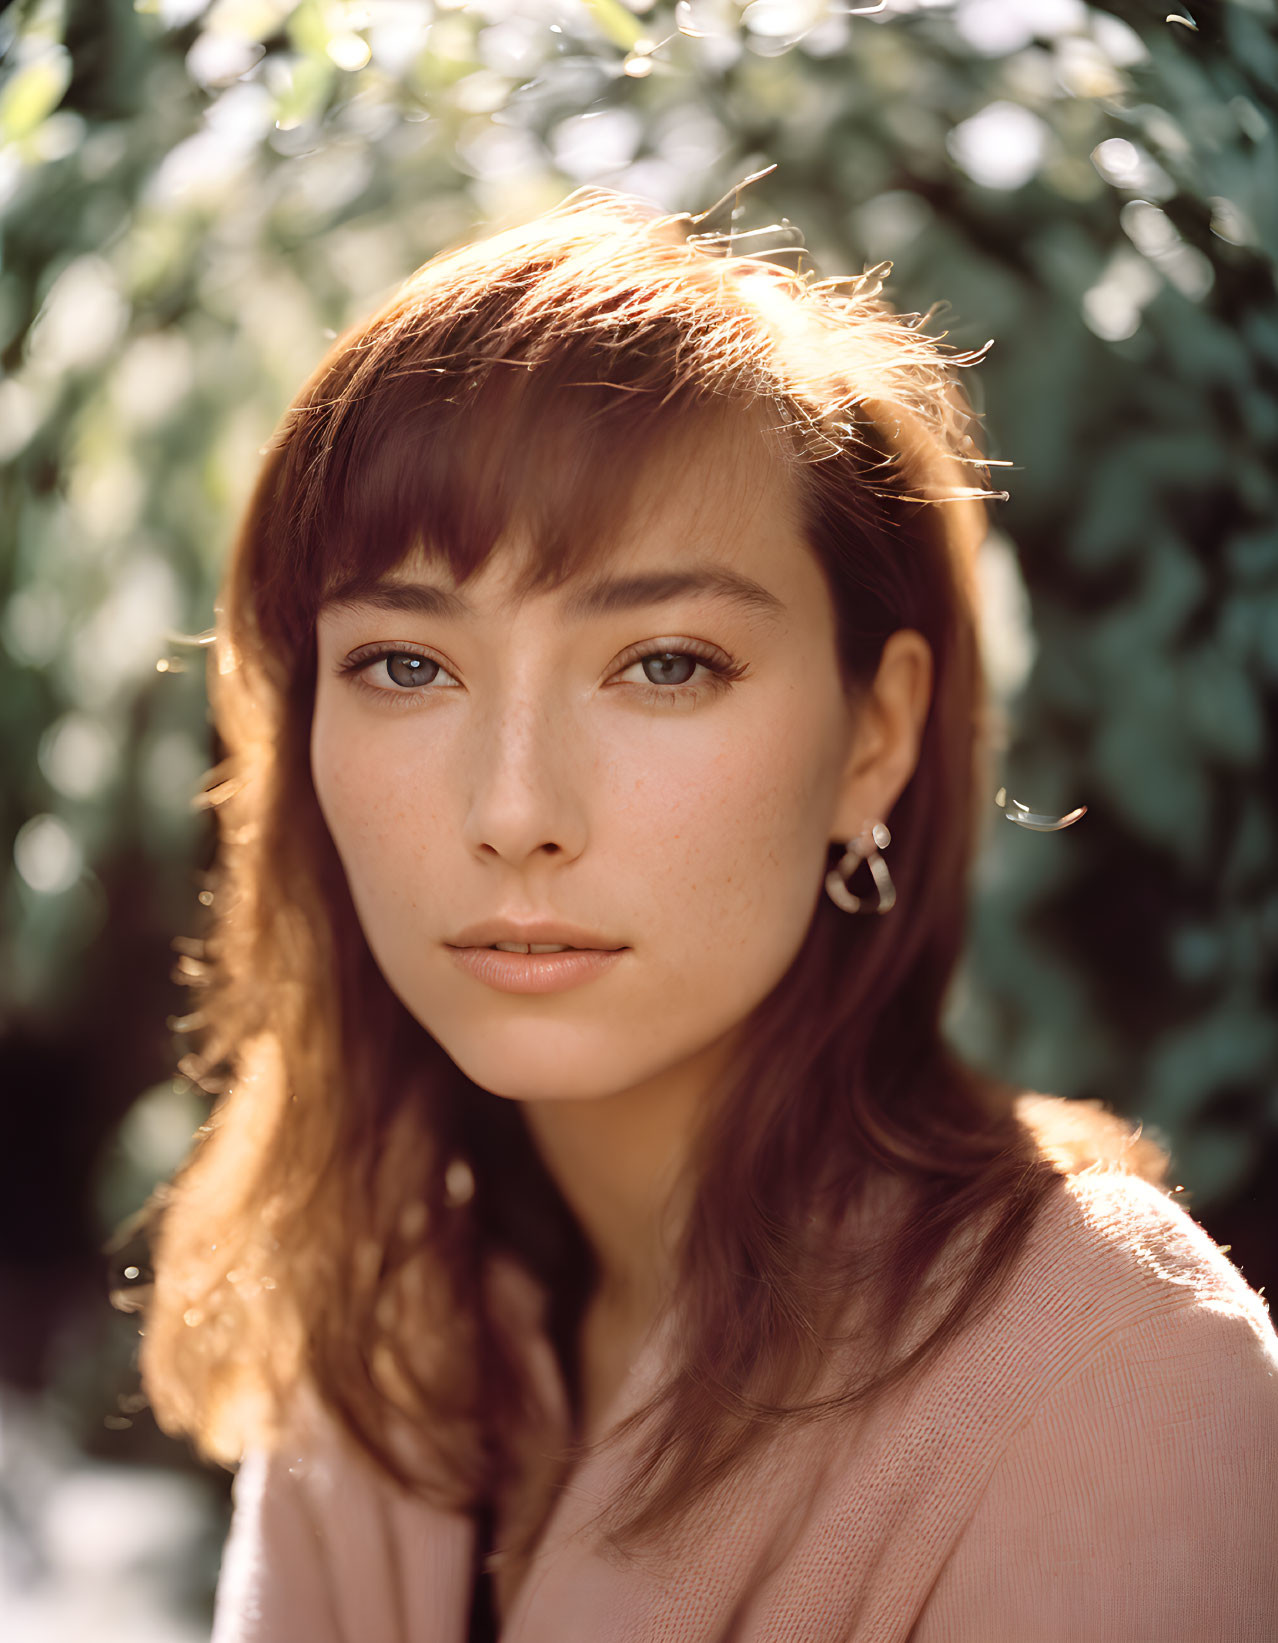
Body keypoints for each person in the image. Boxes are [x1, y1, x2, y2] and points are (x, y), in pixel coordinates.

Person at [125, 190, 1278, 1641]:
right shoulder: (394, 1324)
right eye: (408, 666)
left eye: (665, 664)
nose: (513, 808)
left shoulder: (1109, 1374)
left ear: (874, 734)